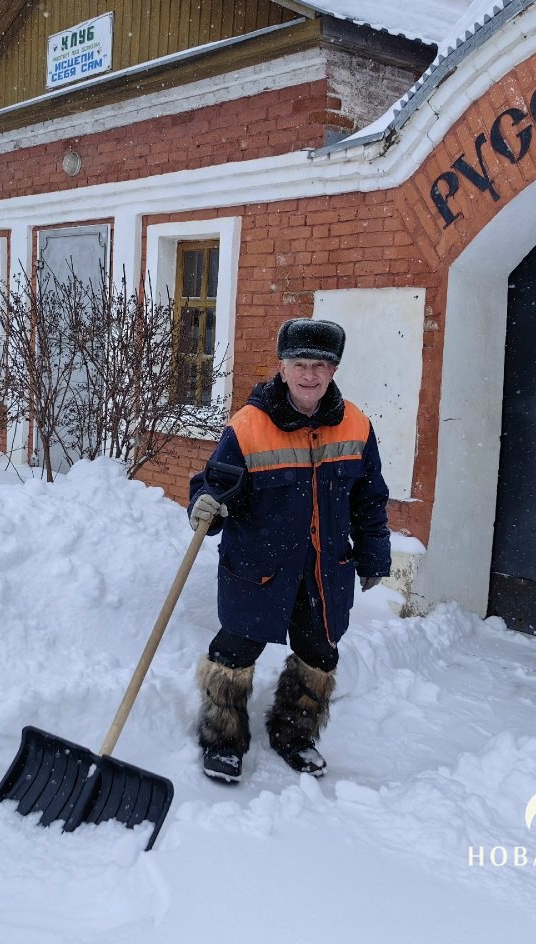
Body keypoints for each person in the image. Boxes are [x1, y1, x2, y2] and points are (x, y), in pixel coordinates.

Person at [187, 318, 390, 783]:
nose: (310, 375)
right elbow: (214, 486)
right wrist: (206, 505)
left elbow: (369, 497)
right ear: (282, 367)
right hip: (259, 566)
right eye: (300, 364)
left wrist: (375, 554)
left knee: (319, 653)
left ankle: (295, 735)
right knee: (235, 651)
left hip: (325, 570)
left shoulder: (356, 425)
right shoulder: (249, 426)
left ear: (334, 370)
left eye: (321, 365)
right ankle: (222, 738)